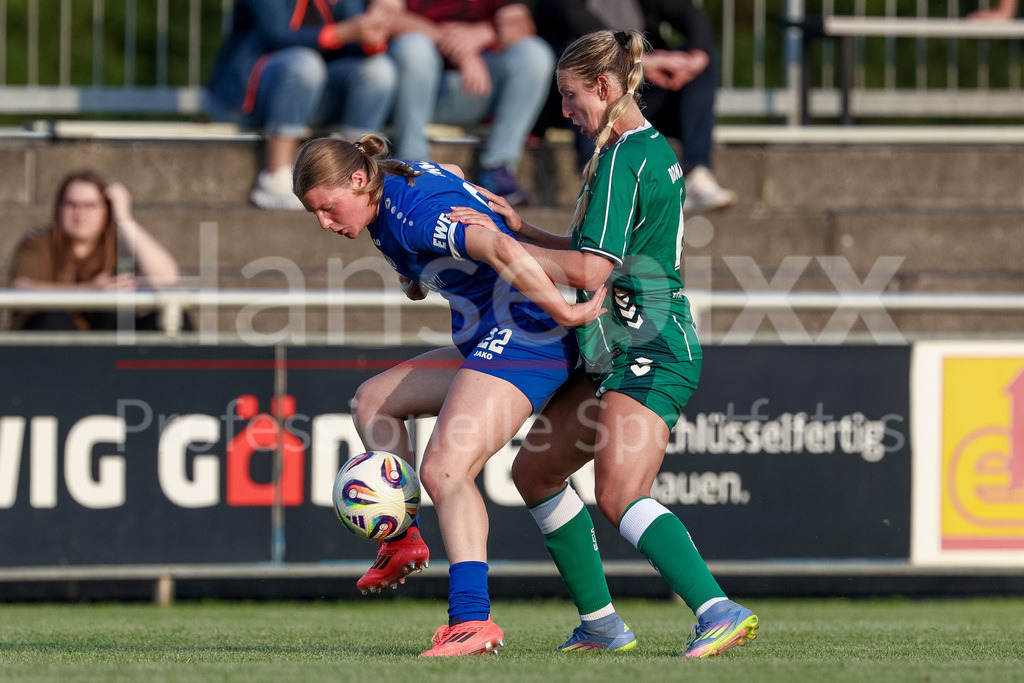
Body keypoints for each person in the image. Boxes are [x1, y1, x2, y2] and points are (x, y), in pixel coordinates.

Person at [448, 29, 758, 658]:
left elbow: (591, 274)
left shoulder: (623, 157)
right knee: (534, 472)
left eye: (570, 97)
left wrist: (493, 250)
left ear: (605, 87)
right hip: (616, 348)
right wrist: (520, 229)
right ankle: (600, 625)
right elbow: (600, 257)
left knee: (620, 494)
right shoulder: (640, 148)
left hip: (651, 344)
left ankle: (717, 610)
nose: (565, 112)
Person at [291, 134, 618, 656]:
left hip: (529, 333)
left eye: (327, 209)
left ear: (357, 181)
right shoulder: (387, 183)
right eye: (315, 214)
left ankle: (472, 620)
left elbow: (496, 246)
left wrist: (565, 311)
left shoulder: (414, 215)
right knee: (371, 402)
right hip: (492, 337)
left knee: (445, 469)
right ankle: (400, 537)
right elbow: (442, 169)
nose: (325, 224)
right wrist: (416, 272)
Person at [534, 0, 736, 214]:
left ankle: (696, 173)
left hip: (641, 94)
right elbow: (578, 24)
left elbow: (690, 15)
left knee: (701, 58)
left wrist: (695, 59)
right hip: (569, 104)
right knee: (584, 66)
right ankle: (598, 181)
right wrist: (638, 61)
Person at [207, 0, 401, 210]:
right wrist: (343, 32)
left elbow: (351, 43)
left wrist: (371, 33)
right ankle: (274, 180)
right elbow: (277, 34)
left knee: (379, 71)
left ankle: (351, 176)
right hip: (251, 93)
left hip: (317, 92)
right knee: (304, 64)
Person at [384, 0, 554, 205]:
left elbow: (522, 23)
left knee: (534, 53)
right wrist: (457, 46)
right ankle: (414, 168)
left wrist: (485, 33)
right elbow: (384, 16)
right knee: (414, 48)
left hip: (474, 85)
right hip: (407, 91)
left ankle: (497, 169)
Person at [6, 170, 181, 331]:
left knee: (167, 320)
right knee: (52, 319)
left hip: (110, 347)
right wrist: (91, 291)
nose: (80, 213)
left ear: (107, 210)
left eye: (90, 205)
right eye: (72, 205)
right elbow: (21, 290)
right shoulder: (38, 243)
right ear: (59, 209)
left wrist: (124, 218)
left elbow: (165, 278)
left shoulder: (118, 246)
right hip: (57, 347)